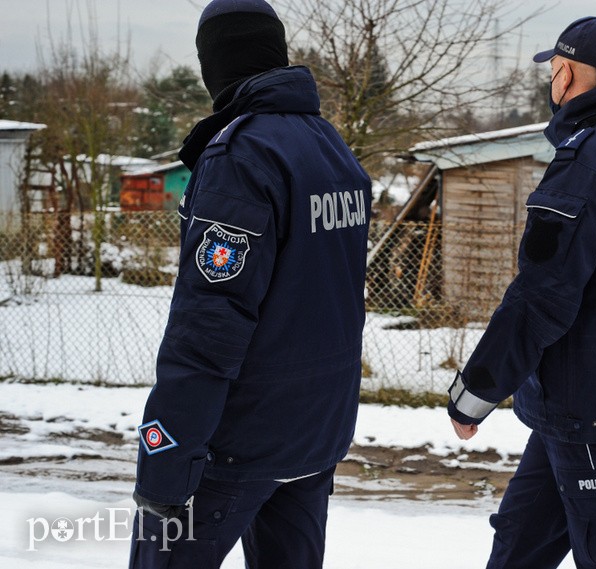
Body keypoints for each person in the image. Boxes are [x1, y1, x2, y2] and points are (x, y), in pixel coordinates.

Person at [129, 1, 371, 567]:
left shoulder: (242, 156)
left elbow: (209, 323)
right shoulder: (330, 147)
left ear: (215, 60)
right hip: (315, 433)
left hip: (238, 444)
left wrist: (166, 457)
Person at [447, 16, 596, 569]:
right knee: (519, 546)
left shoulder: (587, 167)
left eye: (553, 71)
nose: (551, 85)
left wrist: (476, 389)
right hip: (588, 406)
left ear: (569, 74)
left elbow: (540, 297)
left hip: (589, 412)